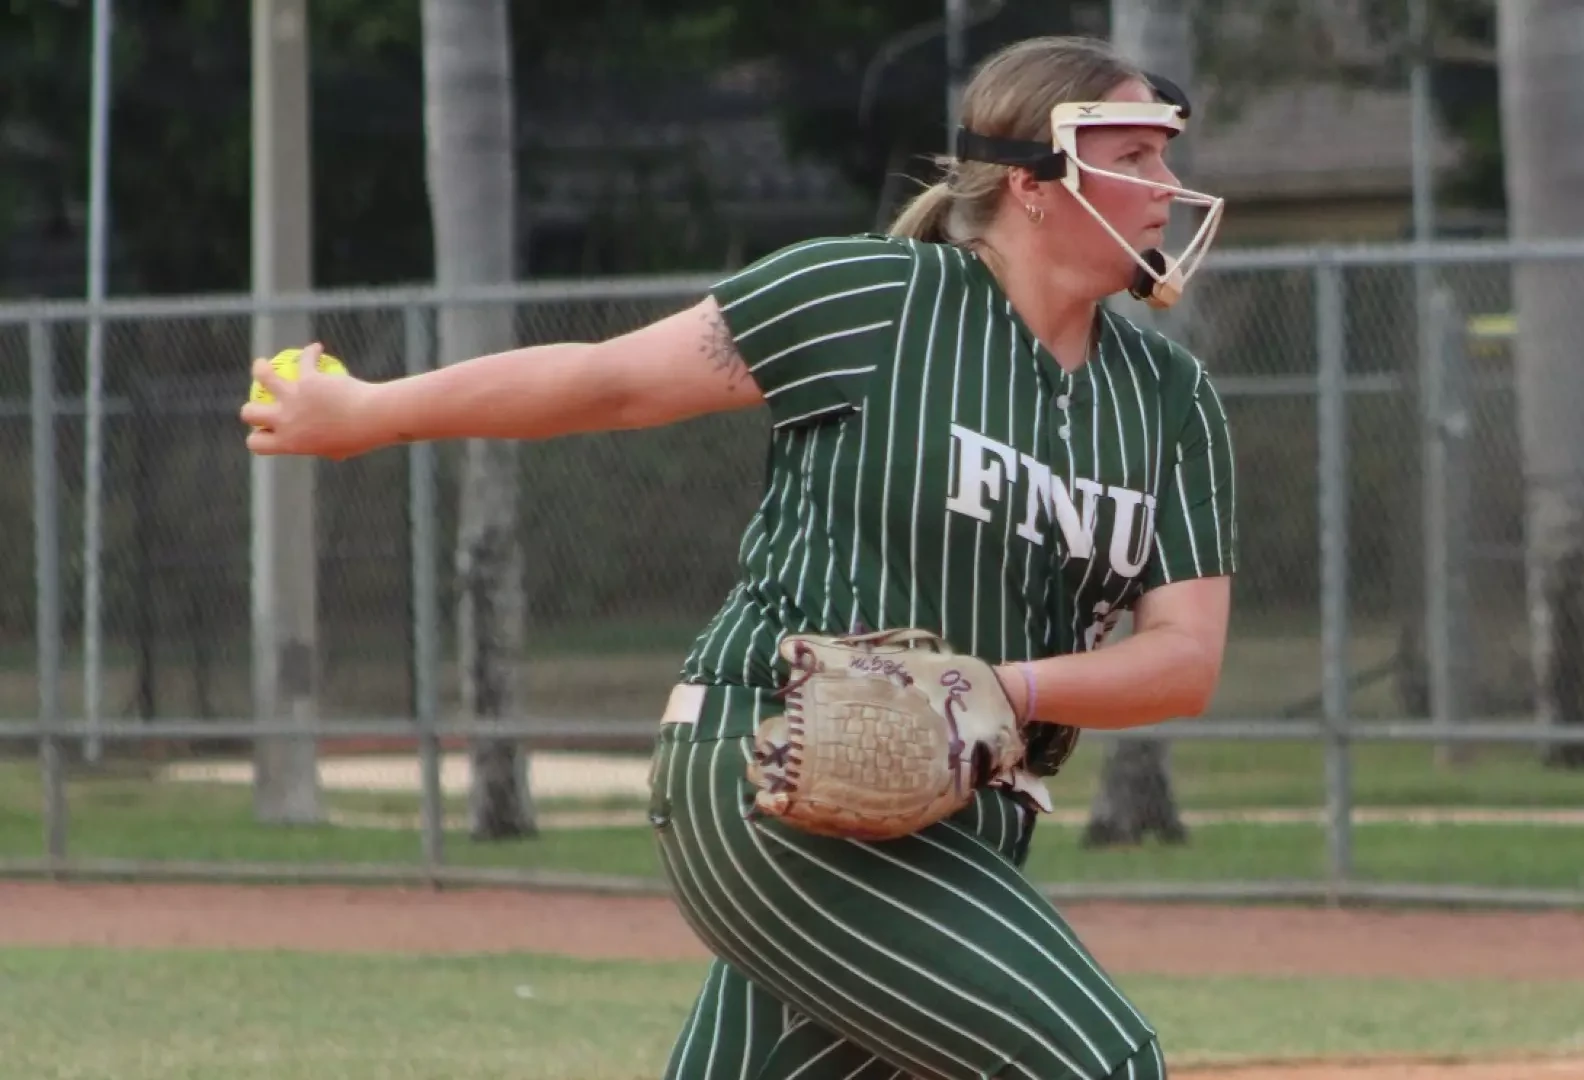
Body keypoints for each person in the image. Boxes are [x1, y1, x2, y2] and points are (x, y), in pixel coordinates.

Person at [241, 35, 1238, 1080]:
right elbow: (606, 382)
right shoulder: (869, 300)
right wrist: (365, 412)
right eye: (1132, 156)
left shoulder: (1168, 403)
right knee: (1098, 1065)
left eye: (1162, 158)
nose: (1164, 187)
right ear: (1035, 181)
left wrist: (995, 687)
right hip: (768, 774)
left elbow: (1181, 661)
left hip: (960, 816)